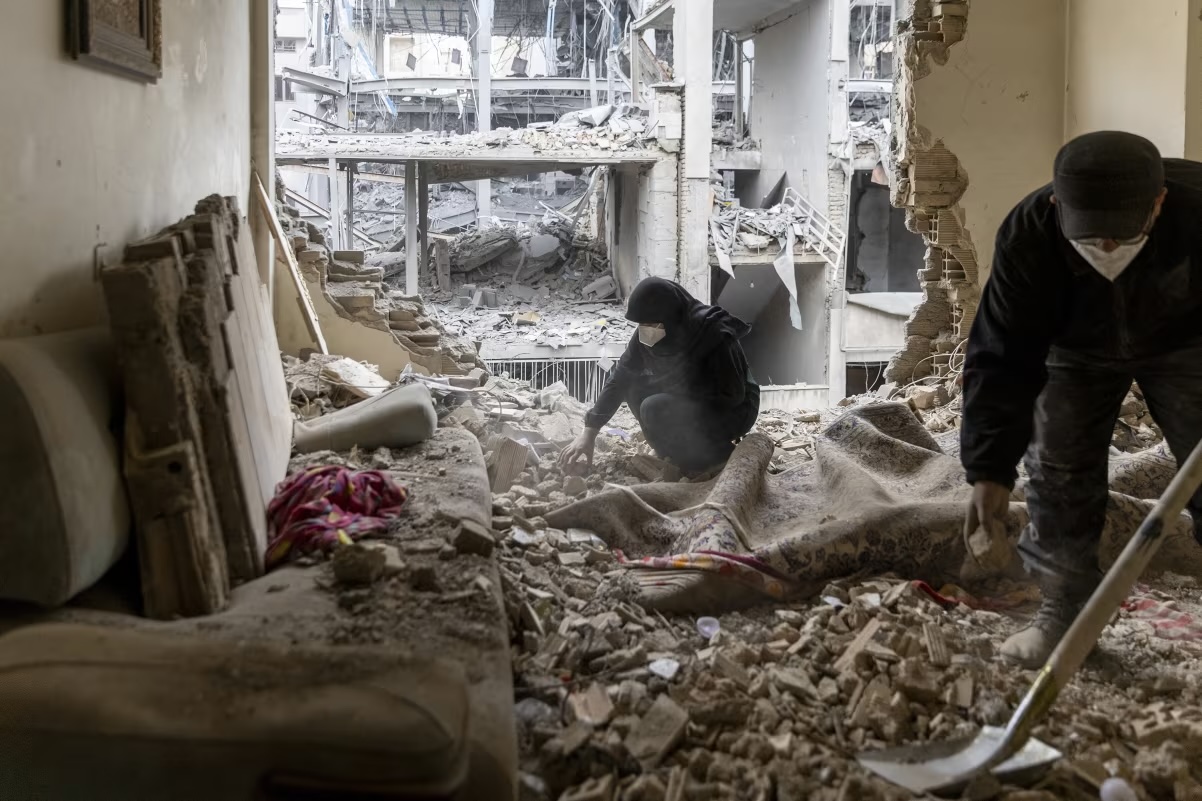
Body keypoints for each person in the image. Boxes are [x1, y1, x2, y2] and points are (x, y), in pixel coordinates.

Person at [961, 130, 1202, 668]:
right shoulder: (1028, 236)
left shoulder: (1197, 213)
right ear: (1057, 204)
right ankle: (1066, 613)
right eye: (1091, 234)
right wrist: (989, 469)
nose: (1108, 249)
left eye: (1122, 233)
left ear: (1159, 203)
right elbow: (1001, 358)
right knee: (1058, 467)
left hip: (1187, 341)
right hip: (1075, 349)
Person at [558, 277, 759, 476]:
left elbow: (733, 395)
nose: (645, 329)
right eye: (641, 323)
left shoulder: (712, 332)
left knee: (654, 406)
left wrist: (678, 396)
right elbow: (620, 378)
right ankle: (671, 453)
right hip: (689, 397)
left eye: (650, 323)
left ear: (670, 317)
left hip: (735, 409)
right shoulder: (649, 334)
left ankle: (716, 455)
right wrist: (589, 432)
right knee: (634, 388)